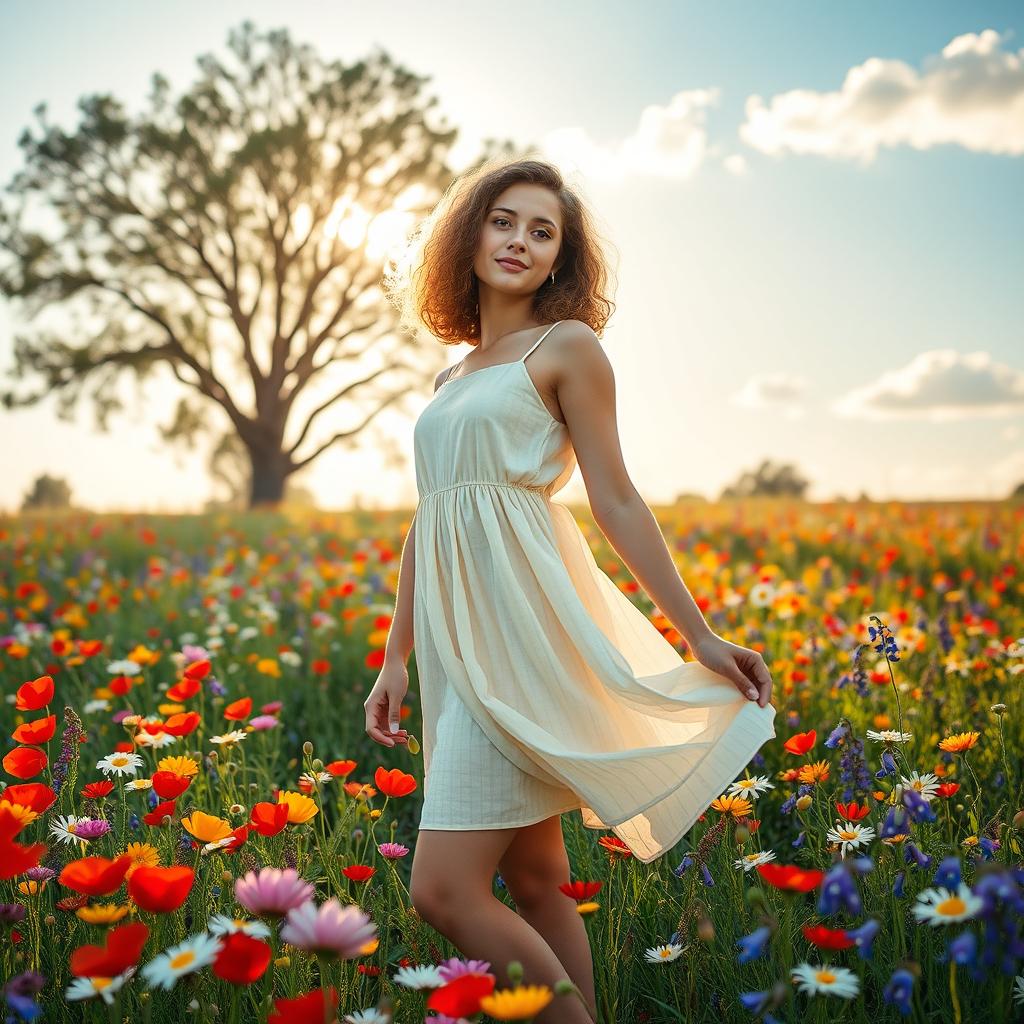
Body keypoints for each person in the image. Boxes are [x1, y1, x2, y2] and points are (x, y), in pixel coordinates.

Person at [366, 157, 777, 1024]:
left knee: (441, 892)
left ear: (561, 259)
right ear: (468, 234)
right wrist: (395, 655)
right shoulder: (452, 377)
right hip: (455, 645)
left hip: (523, 631)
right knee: (539, 878)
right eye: (504, 220)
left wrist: (698, 637)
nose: (519, 240)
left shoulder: (568, 349)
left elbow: (616, 497)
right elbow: (430, 519)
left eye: (542, 231)